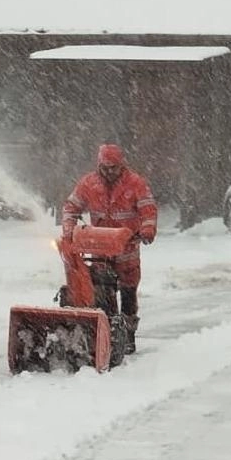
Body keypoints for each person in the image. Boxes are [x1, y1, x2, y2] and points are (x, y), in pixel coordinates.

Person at [62, 144, 157, 353]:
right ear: (99, 165)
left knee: (128, 290)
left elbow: (148, 209)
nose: (109, 172)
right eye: (105, 168)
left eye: (113, 168)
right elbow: (71, 207)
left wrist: (147, 230)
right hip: (99, 247)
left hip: (127, 247)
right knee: (102, 289)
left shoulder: (136, 183)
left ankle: (128, 334)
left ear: (121, 165)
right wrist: (69, 229)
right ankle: (108, 332)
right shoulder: (89, 183)